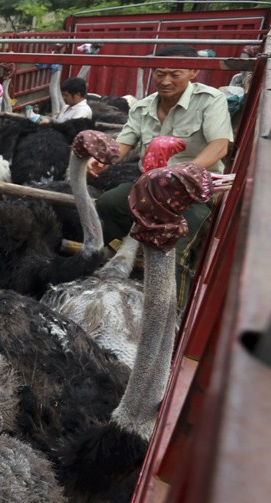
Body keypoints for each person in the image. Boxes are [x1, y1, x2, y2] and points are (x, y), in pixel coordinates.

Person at [88, 44, 234, 309]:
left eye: (174, 74)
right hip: (149, 186)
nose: (165, 80)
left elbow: (219, 146)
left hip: (193, 190)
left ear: (193, 72)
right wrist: (102, 160)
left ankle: (174, 317)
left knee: (174, 252)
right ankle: (137, 246)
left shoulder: (210, 100)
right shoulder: (143, 107)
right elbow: (123, 143)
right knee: (108, 204)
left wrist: (185, 171)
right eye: (159, 73)